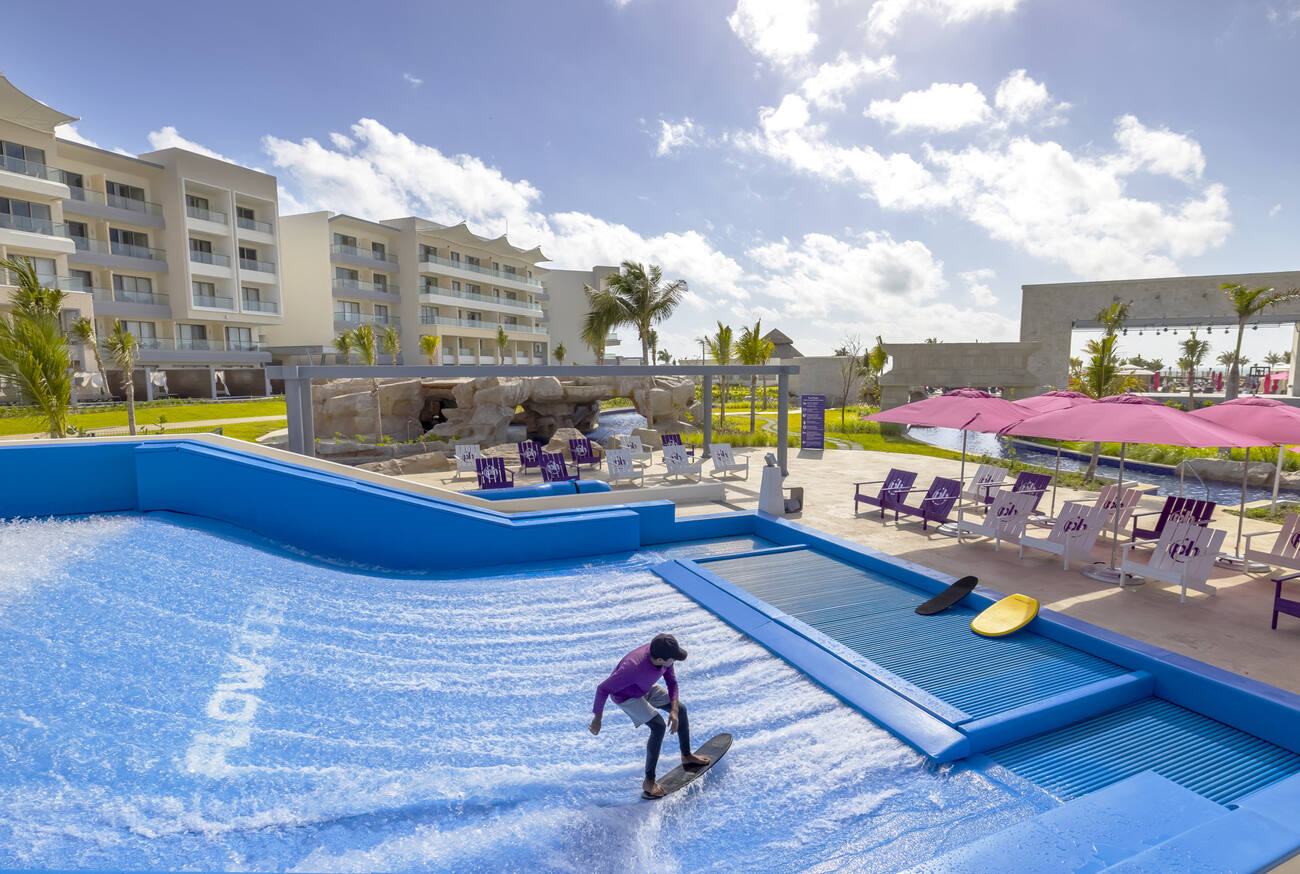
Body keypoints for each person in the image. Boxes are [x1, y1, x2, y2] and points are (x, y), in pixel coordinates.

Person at [589, 633, 710, 797]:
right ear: (660, 659)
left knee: (680, 710)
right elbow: (602, 689)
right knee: (658, 726)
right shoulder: (632, 668)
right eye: (673, 659)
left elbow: (672, 682)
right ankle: (649, 781)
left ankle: (687, 756)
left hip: (644, 687)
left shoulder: (663, 653)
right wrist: (598, 718)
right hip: (626, 697)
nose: (674, 661)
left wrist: (673, 711)